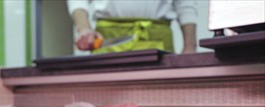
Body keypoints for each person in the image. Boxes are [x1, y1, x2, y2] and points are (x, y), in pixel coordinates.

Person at [66, 0, 197, 54]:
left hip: (157, 39)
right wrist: (83, 28)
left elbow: (185, 3)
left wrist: (190, 47)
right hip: (108, 41)